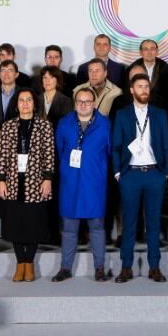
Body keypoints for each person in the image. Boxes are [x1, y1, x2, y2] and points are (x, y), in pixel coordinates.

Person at [112, 74, 168, 282]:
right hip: (130, 175)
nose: (144, 89)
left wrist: (165, 173)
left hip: (154, 174)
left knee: (153, 224)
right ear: (131, 90)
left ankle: (154, 266)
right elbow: (116, 146)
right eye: (140, 86)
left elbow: (165, 144)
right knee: (129, 223)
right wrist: (119, 173)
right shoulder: (122, 114)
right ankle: (126, 267)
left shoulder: (160, 114)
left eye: (146, 86)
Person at [52, 88, 113, 282]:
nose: (83, 105)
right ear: (74, 102)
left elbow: (110, 153)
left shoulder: (105, 125)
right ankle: (65, 268)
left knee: (97, 227)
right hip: (71, 183)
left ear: (94, 103)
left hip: (94, 185)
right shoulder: (64, 123)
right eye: (80, 101)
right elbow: (59, 151)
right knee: (69, 229)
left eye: (87, 101)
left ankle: (100, 268)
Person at [0, 88, 56, 282]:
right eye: (21, 100)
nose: (25, 104)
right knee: (15, 224)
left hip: (36, 182)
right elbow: (2, 156)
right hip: (13, 182)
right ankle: (19, 262)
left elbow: (49, 154)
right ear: (16, 104)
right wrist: (1, 180)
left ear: (34, 103)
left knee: (33, 224)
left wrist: (47, 178)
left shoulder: (44, 126)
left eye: (29, 100)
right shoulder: (8, 126)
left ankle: (29, 263)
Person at [128, 39, 168, 112]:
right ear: (140, 52)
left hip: (160, 109)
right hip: (137, 108)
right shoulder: (133, 68)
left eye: (152, 49)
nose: (149, 52)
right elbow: (128, 91)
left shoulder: (166, 68)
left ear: (157, 52)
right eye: (145, 49)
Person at [0, 59, 23, 124]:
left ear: (16, 74)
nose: (6, 74)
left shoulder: (24, 94)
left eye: (10, 70)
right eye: (3, 70)